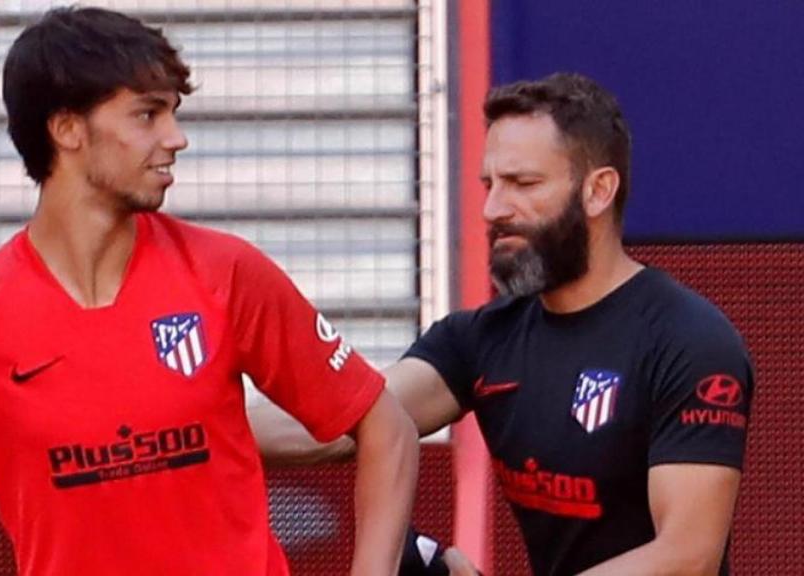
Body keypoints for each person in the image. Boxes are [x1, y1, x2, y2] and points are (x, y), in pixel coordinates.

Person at [0, 7, 419, 576]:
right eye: (147, 115)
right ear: (67, 129)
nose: (176, 138)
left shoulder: (228, 273)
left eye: (173, 113)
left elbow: (385, 425)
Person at [253, 72, 753, 576]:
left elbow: (687, 556)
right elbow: (345, 423)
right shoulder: (479, 339)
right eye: (489, 185)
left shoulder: (689, 341)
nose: (493, 209)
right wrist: (205, 419)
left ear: (598, 191)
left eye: (523, 184)